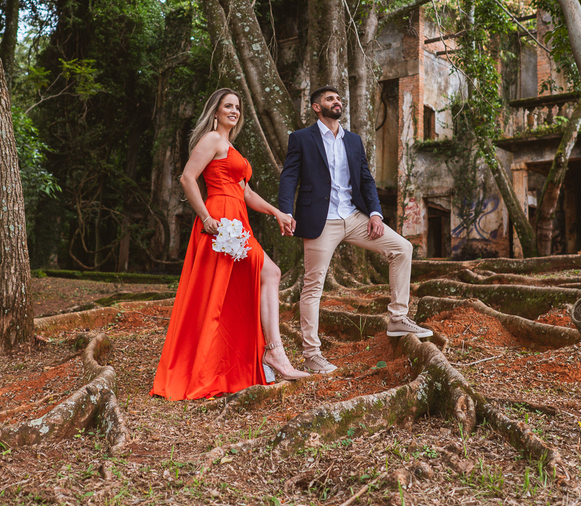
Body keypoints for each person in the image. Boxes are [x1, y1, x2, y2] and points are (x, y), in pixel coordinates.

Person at [152, 88, 309, 399]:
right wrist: (207, 218)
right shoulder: (212, 139)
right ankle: (274, 354)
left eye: (237, 106)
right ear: (215, 111)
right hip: (221, 223)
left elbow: (245, 193)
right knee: (266, 275)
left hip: (237, 220)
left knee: (237, 288)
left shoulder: (229, 145)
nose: (234, 111)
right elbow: (187, 177)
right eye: (228, 106)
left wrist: (277, 211)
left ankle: (258, 356)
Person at [278, 85, 433, 374]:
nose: (336, 102)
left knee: (402, 248)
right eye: (330, 99)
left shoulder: (353, 140)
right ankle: (312, 355)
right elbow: (289, 177)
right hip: (320, 221)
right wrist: (285, 211)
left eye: (338, 99)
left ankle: (398, 318)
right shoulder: (301, 139)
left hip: (355, 217)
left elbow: (365, 179)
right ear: (316, 107)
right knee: (313, 286)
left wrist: (375, 213)